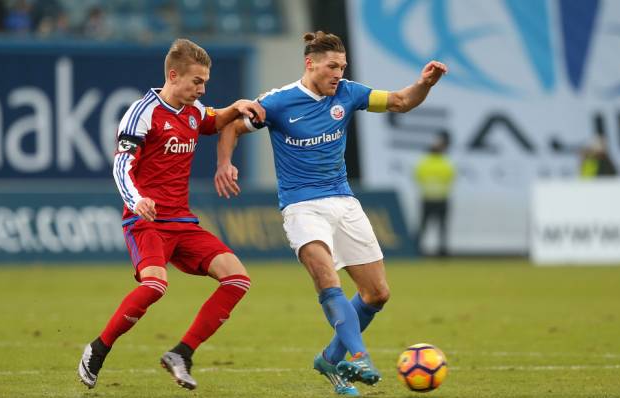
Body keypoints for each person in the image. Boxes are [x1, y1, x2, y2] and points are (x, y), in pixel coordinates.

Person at [214, 31, 447, 396]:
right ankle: (358, 355)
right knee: (328, 279)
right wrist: (225, 163)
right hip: (301, 206)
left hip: (343, 201)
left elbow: (402, 101)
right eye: (332, 66)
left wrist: (425, 84)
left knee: (377, 294)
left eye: (342, 67)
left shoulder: (348, 94)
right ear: (310, 64)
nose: (338, 73)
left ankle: (329, 359)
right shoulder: (277, 102)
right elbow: (230, 126)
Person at [77, 38, 265, 391]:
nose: (202, 88)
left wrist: (237, 105)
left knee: (237, 278)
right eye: (197, 82)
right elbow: (121, 165)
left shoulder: (194, 112)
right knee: (154, 286)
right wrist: (136, 200)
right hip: (146, 221)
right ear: (174, 75)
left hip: (182, 222)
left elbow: (217, 119)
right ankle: (98, 349)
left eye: (205, 82)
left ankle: (182, 353)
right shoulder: (142, 112)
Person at [414, 133, 456, 256]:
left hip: (427, 198)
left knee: (423, 226)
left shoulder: (424, 163)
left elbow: (417, 177)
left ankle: (417, 250)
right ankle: (442, 251)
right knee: (442, 227)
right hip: (442, 198)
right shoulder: (446, 163)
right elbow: (451, 178)